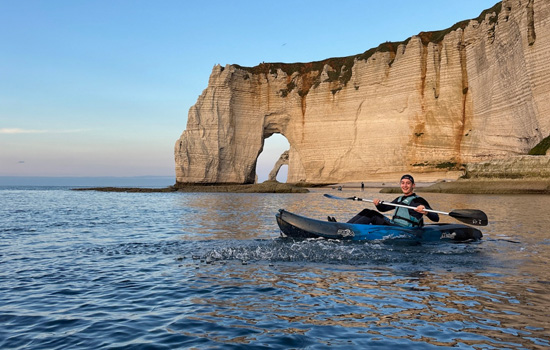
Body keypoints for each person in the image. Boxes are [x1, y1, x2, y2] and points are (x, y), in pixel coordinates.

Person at [329, 174, 439, 227]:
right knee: (368, 211)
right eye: (403, 183)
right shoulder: (400, 199)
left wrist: (426, 211)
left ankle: (347, 229)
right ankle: (343, 226)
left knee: (373, 215)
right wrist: (378, 204)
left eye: (408, 183)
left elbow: (436, 218)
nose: (405, 185)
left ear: (413, 185)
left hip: (404, 229)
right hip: (394, 225)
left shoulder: (419, 200)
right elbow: (385, 209)